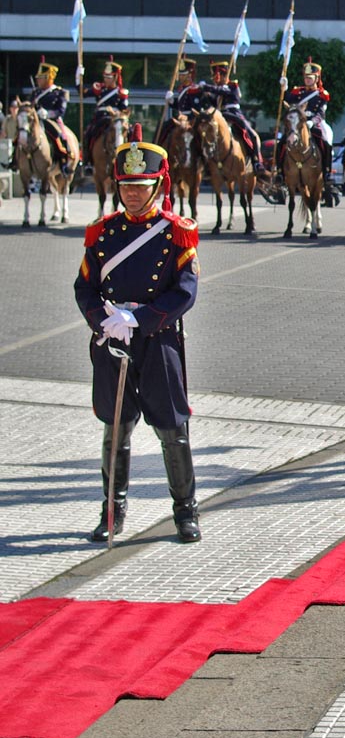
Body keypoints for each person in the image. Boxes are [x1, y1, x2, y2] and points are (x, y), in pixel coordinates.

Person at [74, 126, 202, 544]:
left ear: (158, 185)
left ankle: (186, 513)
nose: (132, 193)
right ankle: (112, 513)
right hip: (112, 342)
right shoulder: (103, 232)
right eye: (127, 186)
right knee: (116, 430)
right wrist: (102, 319)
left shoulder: (175, 231)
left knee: (172, 430)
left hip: (157, 341)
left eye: (141, 186)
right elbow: (84, 286)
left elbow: (186, 290)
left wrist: (141, 318)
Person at [277, 58, 334, 185]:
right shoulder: (298, 92)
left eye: (310, 77)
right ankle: (280, 172)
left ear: (316, 78)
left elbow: (321, 113)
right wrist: (284, 88)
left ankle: (327, 171)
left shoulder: (322, 94)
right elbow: (287, 102)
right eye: (306, 77)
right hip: (298, 123)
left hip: (314, 123)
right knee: (281, 143)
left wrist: (312, 122)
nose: (307, 80)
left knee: (325, 143)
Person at [202, 59, 265, 173]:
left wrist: (207, 87)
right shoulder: (218, 89)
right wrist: (207, 96)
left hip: (233, 113)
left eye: (218, 76)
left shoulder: (232, 85)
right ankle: (205, 162)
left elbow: (224, 92)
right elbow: (215, 102)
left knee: (252, 135)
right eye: (215, 78)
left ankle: (256, 161)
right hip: (220, 115)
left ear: (224, 75)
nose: (216, 80)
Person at [81, 58, 131, 172]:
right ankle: (88, 160)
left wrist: (115, 113)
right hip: (100, 118)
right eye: (105, 77)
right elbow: (83, 93)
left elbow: (124, 109)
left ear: (115, 78)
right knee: (88, 133)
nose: (106, 80)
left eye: (108, 78)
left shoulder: (120, 93)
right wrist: (79, 77)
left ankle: (129, 159)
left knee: (130, 132)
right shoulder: (100, 89)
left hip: (115, 118)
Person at [29, 58, 72, 176]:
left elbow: (61, 110)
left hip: (51, 120)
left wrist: (47, 113)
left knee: (58, 136)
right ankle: (15, 160)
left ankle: (63, 161)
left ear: (48, 78)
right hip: (36, 120)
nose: (38, 80)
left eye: (41, 77)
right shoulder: (35, 93)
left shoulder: (59, 92)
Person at [157, 57, 204, 149]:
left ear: (189, 75)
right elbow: (180, 107)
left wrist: (187, 117)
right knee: (164, 127)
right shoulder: (182, 89)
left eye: (183, 74)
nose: (180, 77)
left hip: (191, 119)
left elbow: (195, 108)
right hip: (180, 118)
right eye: (180, 74)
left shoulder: (195, 89)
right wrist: (172, 101)